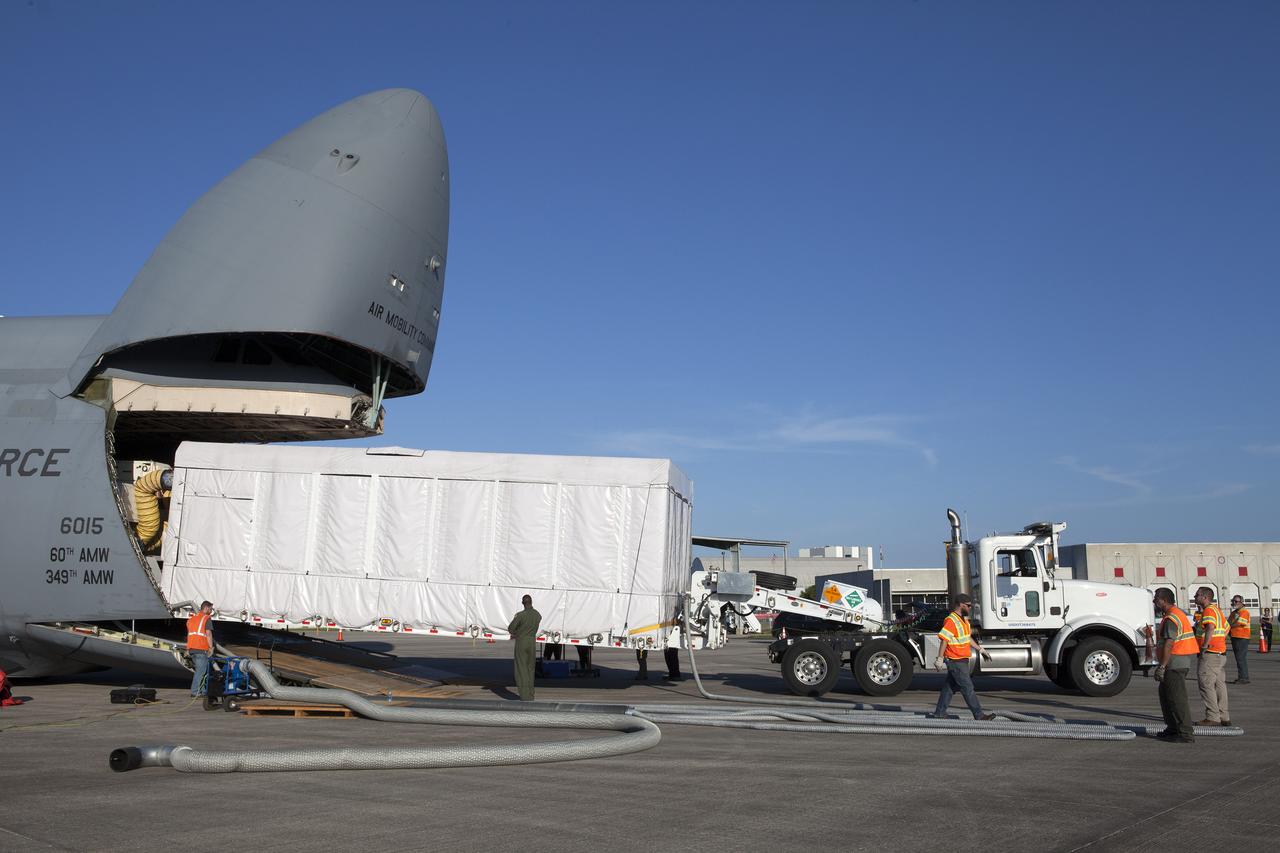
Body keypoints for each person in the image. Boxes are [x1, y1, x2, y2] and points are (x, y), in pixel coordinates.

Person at [931, 593, 995, 721]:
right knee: (968, 688)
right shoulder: (951, 620)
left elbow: (967, 638)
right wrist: (939, 658)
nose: (970, 608)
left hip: (962, 659)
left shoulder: (964, 620)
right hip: (955, 660)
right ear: (961, 605)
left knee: (949, 688)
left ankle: (939, 712)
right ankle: (979, 715)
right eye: (968, 606)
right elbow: (944, 640)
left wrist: (981, 649)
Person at [1152, 587, 1198, 742]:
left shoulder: (1172, 617)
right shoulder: (1174, 615)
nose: (1154, 602)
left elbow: (1169, 644)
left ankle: (1185, 733)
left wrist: (1162, 666)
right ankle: (1172, 728)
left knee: (1176, 698)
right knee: (1166, 696)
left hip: (1175, 663)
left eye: (1155, 599)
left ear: (1163, 600)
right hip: (1176, 662)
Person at [1192, 587, 1230, 727]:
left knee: (1206, 684)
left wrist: (1205, 646)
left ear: (1205, 597)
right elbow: (1227, 627)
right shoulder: (1217, 610)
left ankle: (1213, 717)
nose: (1195, 598)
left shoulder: (1208, 611)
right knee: (1219, 685)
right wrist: (1219, 641)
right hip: (1220, 653)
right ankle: (1223, 715)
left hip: (1211, 654)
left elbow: (1210, 628)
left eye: (1197, 595)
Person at [507, 594, 541, 701]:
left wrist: (518, 631)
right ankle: (531, 694)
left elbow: (511, 629)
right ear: (531, 602)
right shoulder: (537, 615)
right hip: (532, 642)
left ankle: (525, 696)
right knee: (530, 669)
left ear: (523, 603)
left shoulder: (520, 615)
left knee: (521, 669)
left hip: (522, 642)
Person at [186, 600, 215, 697]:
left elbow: (191, 634)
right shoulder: (206, 618)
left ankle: (202, 691)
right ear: (206, 608)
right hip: (201, 648)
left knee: (200, 670)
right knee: (201, 671)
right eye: (210, 609)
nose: (211, 611)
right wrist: (211, 647)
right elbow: (208, 634)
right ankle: (195, 692)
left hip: (192, 648)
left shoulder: (192, 619)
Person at [1227, 595, 1251, 684]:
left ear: (1242, 603)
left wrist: (1230, 626)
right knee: (1239, 658)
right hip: (1235, 637)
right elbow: (1227, 623)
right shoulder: (1234, 613)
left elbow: (1240, 623)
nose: (1234, 603)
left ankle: (1244, 678)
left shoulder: (1244, 612)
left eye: (1236, 601)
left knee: (1241, 658)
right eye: (1233, 601)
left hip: (1242, 637)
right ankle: (1243, 676)